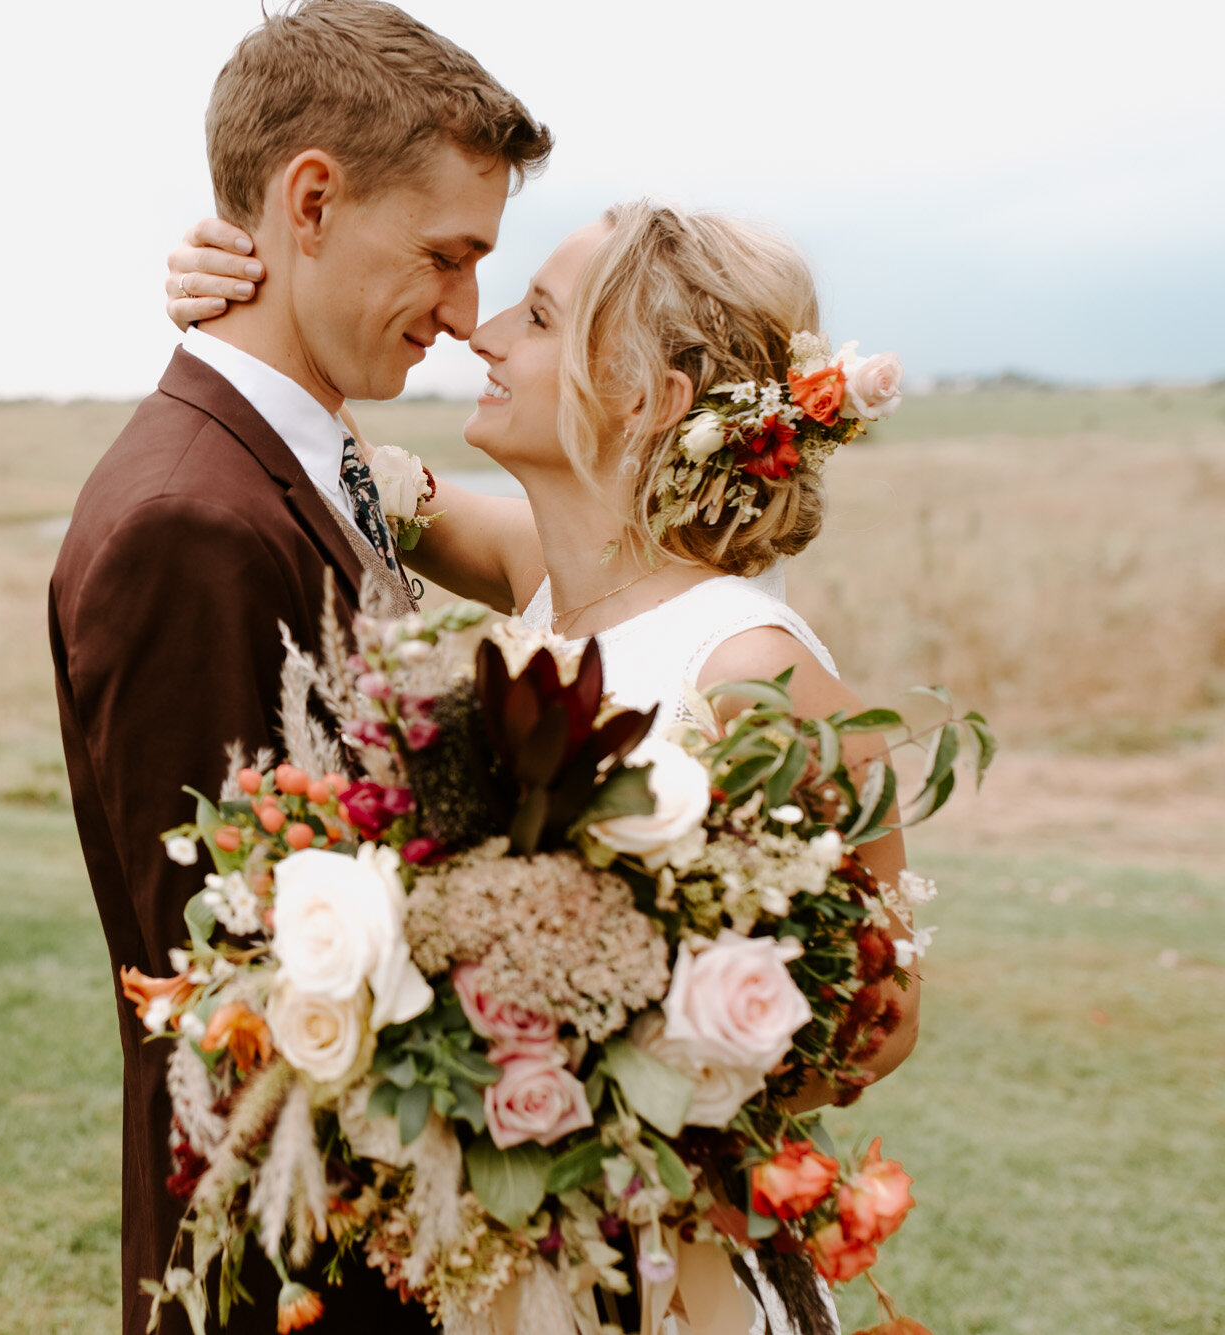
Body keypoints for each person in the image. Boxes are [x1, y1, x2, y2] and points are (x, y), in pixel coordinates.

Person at [166, 200, 921, 1335]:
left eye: (539, 315)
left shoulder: (751, 672)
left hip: (659, 1270)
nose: (484, 330)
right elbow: (322, 460)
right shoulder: (541, 572)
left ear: (646, 396)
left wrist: (595, 1098)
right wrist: (242, 299)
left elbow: (883, 1016)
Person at [47, 4, 550, 1333]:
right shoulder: (189, 524)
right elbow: (241, 994)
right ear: (310, 202)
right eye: (445, 255)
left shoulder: (309, 467)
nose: (464, 312)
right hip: (291, 1270)